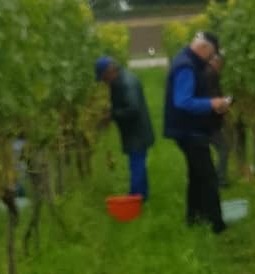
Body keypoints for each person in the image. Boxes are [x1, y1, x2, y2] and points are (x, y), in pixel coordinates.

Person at [163, 31, 232, 233]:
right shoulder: (186, 66)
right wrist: (212, 103)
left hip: (188, 130)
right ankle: (217, 224)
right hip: (189, 131)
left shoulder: (186, 60)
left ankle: (194, 218)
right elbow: (183, 101)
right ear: (204, 48)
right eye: (211, 55)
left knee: (196, 176)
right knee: (208, 178)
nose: (211, 59)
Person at [95, 56, 155, 201]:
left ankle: (134, 200)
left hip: (137, 132)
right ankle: (142, 196)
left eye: (104, 78)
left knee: (136, 165)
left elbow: (133, 109)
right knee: (138, 164)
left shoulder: (126, 83)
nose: (104, 82)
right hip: (135, 131)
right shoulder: (120, 80)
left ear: (110, 71)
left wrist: (112, 115)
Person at [205, 52, 230, 188]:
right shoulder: (211, 75)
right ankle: (219, 179)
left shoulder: (206, 73)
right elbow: (214, 101)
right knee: (223, 148)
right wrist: (225, 103)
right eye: (221, 64)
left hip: (205, 121)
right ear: (216, 62)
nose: (221, 68)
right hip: (209, 123)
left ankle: (212, 178)